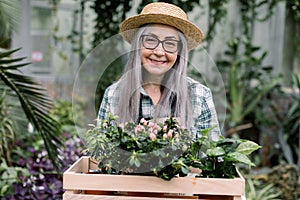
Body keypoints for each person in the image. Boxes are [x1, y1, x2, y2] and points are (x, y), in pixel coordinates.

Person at [97, 2, 220, 140]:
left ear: (179, 52)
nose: (159, 51)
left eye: (170, 43)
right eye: (150, 40)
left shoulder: (199, 95)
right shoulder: (114, 94)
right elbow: (101, 154)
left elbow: (213, 156)